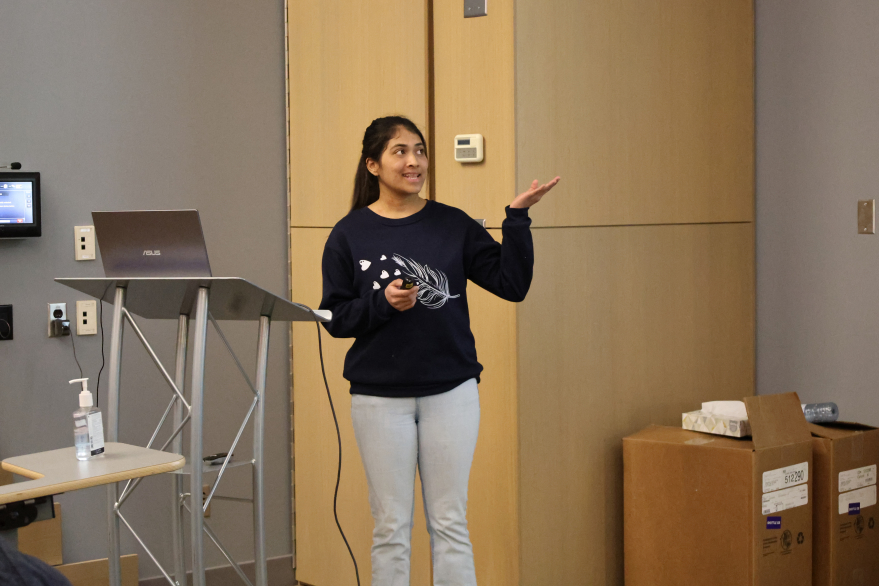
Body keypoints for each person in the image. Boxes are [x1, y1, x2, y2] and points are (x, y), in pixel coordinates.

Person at [319, 115, 559, 586]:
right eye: (400, 151)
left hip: (451, 391)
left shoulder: (452, 224)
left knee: (450, 522)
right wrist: (382, 303)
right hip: (378, 397)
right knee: (390, 527)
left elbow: (512, 284)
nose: (414, 161)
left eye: (420, 151)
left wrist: (516, 218)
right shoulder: (349, 233)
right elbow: (335, 318)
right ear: (373, 165)